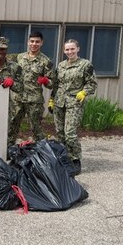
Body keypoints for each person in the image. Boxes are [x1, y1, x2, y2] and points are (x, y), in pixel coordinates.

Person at [49, 39, 98, 174]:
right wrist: (51, 100)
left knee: (70, 133)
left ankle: (75, 160)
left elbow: (92, 83)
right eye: (67, 49)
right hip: (59, 102)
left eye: (72, 49)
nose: (70, 52)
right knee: (60, 133)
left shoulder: (85, 65)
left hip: (74, 103)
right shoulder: (61, 65)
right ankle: (64, 159)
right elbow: (56, 84)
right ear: (64, 51)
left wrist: (84, 92)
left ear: (78, 49)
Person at [10, 31, 55, 144]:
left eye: (37, 42)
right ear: (28, 42)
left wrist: (45, 80)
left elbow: (52, 83)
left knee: (36, 128)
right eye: (32, 41)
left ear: (41, 43)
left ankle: (42, 153)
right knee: (12, 126)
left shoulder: (46, 61)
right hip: (18, 99)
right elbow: (11, 73)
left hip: (34, 100)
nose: (34, 44)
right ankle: (8, 150)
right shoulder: (19, 57)